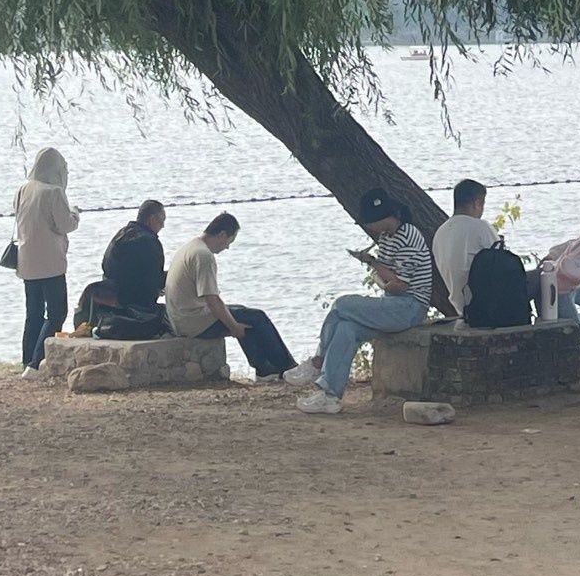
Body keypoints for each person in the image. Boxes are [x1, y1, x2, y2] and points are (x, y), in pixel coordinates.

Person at [291, 191, 436, 415]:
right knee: (345, 328)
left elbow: (399, 286)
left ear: (382, 218)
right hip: (391, 302)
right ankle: (330, 394)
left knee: (342, 304)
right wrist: (379, 271)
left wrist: (374, 264)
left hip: (410, 307)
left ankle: (317, 362)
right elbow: (384, 280)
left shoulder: (409, 236)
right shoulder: (387, 238)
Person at [163, 212, 296, 380]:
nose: (227, 248)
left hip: (181, 318)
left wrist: (234, 322)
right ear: (222, 235)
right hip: (194, 322)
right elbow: (213, 300)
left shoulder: (190, 247)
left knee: (243, 313)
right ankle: (288, 367)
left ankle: (265, 369)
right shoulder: (204, 256)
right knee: (256, 318)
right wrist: (233, 326)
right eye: (229, 242)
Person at [12, 147, 80, 371]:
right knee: (57, 313)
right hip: (51, 264)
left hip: (27, 262)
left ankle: (26, 361)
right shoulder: (54, 192)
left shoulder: (23, 189)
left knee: (33, 314)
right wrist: (75, 214)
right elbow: (65, 224)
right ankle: (36, 362)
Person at [73, 198, 169, 336]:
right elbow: (153, 281)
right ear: (152, 219)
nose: (163, 226)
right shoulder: (149, 242)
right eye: (162, 220)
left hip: (113, 297)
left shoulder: (121, 234)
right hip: (135, 304)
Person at [431, 178, 498, 319]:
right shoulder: (480, 227)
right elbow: (504, 264)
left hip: (461, 306)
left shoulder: (440, 233)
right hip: (487, 303)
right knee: (542, 278)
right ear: (476, 203)